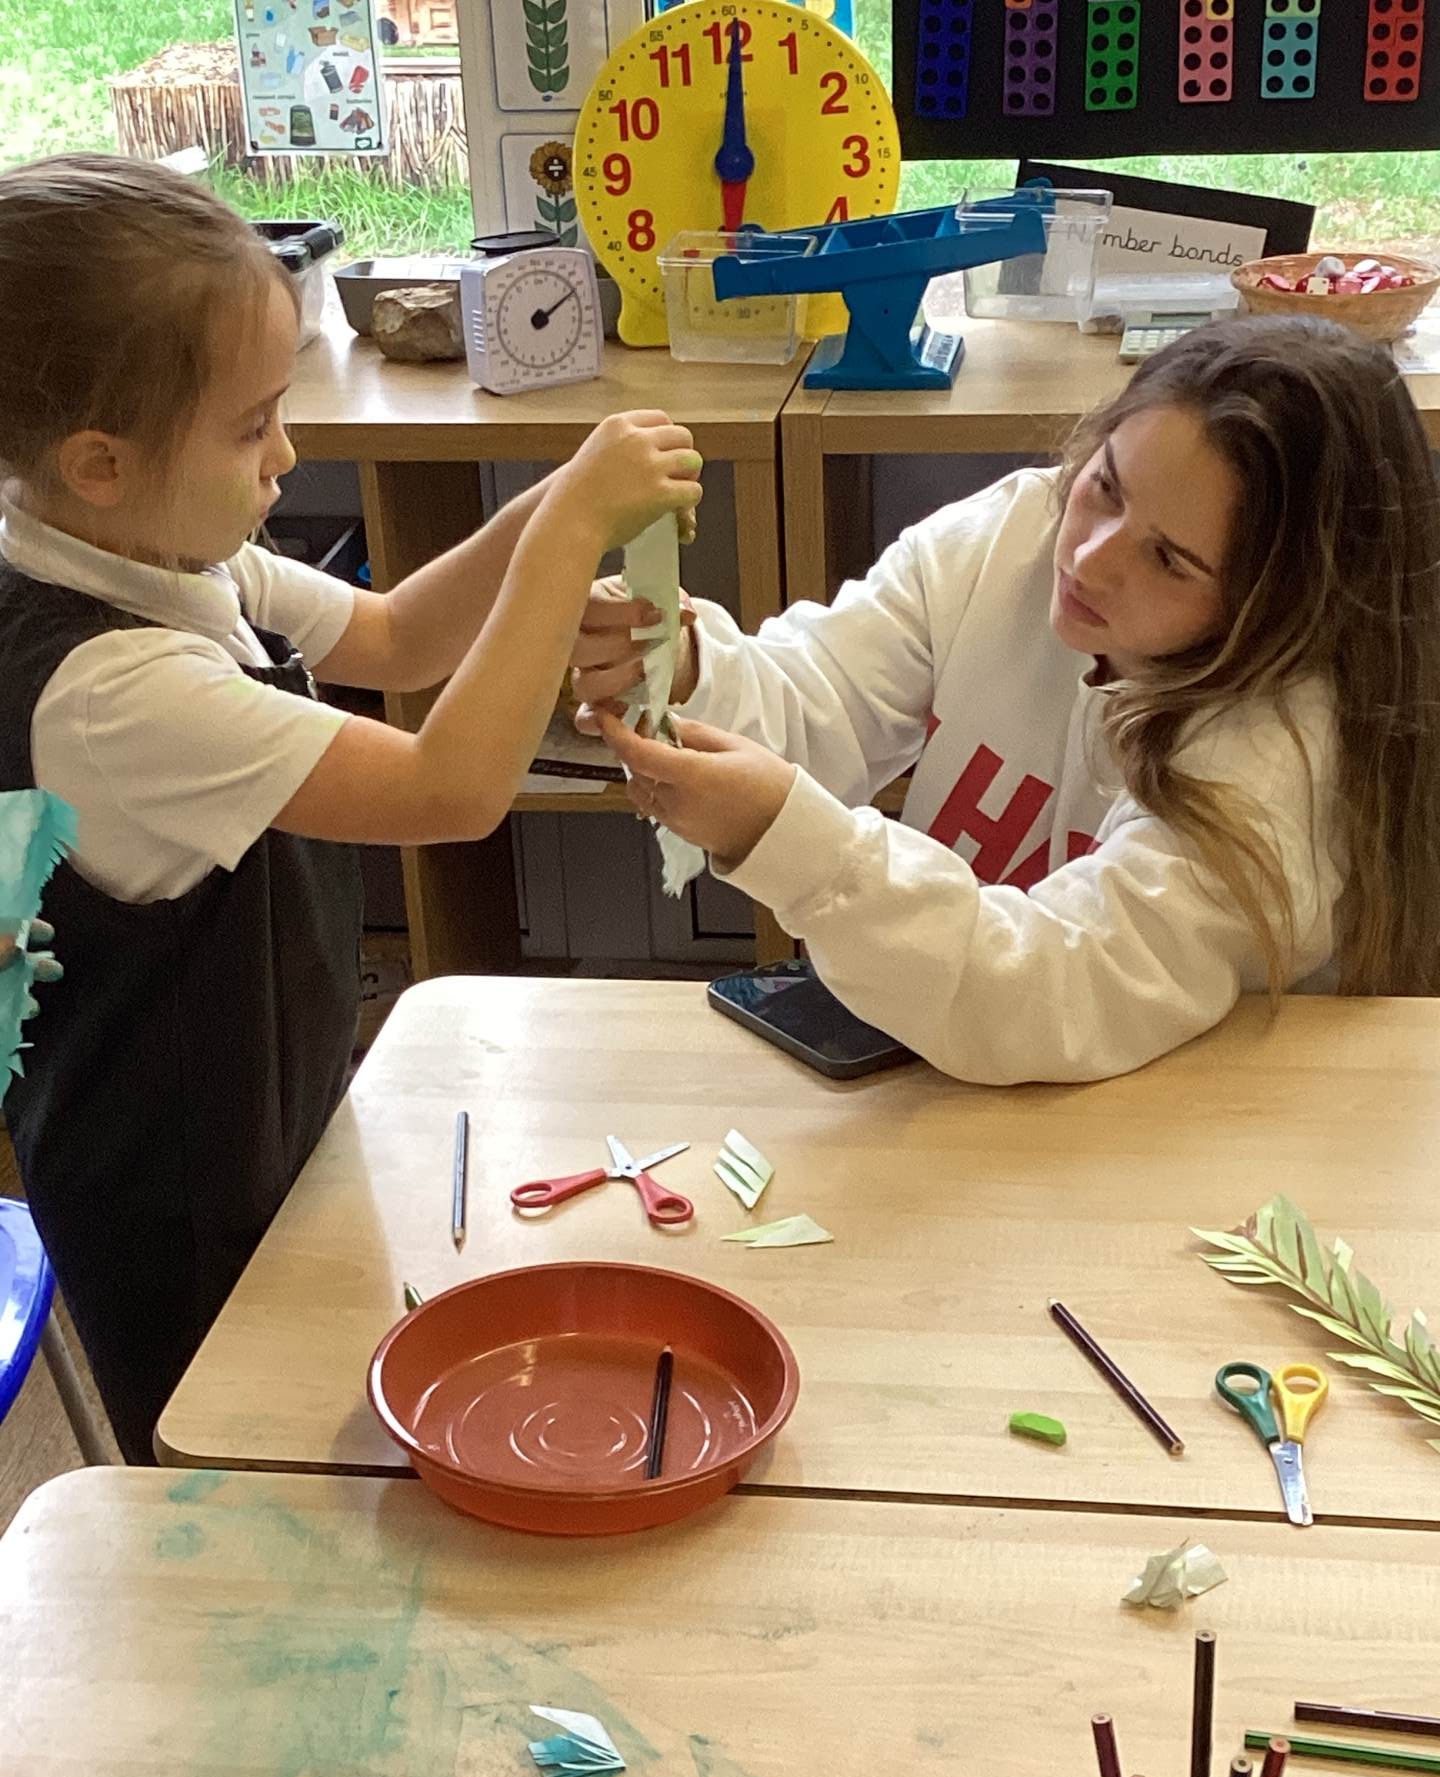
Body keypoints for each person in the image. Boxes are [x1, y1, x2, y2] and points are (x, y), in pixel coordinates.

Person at [0, 153, 702, 1461]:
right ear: (100, 462)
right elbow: (450, 790)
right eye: (251, 426)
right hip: (174, 1200)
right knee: (227, 1469)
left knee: (312, 1429)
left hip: (267, 1123)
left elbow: (394, 637)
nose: (288, 453)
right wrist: (566, 541)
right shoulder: (107, 691)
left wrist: (558, 498)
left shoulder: (161, 551)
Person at [574, 315, 1440, 1087]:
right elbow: (821, 698)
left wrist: (794, 844)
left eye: (1169, 559)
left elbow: (1055, 995)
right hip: (980, 1093)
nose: (1091, 557)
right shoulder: (1017, 535)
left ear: (1277, 609)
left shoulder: (1284, 755)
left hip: (1180, 1141)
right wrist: (692, 670)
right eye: (1106, 486)